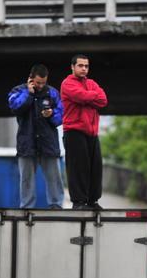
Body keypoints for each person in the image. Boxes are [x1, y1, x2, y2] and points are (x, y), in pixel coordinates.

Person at [7, 63, 65, 209]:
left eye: (43, 83)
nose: (41, 86)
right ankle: (27, 206)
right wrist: (29, 93)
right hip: (27, 144)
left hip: (48, 143)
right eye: (38, 83)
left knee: (54, 178)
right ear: (31, 79)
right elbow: (16, 107)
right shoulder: (18, 91)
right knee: (26, 179)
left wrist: (51, 115)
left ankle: (56, 204)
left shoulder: (52, 92)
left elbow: (62, 116)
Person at [60, 53, 108, 210]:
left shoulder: (91, 83)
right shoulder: (67, 84)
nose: (84, 69)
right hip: (74, 131)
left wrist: (89, 97)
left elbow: (103, 100)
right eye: (80, 65)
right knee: (78, 167)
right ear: (72, 67)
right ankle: (78, 202)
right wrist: (92, 97)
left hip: (92, 132)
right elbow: (80, 96)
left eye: (86, 66)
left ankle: (92, 201)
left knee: (95, 168)